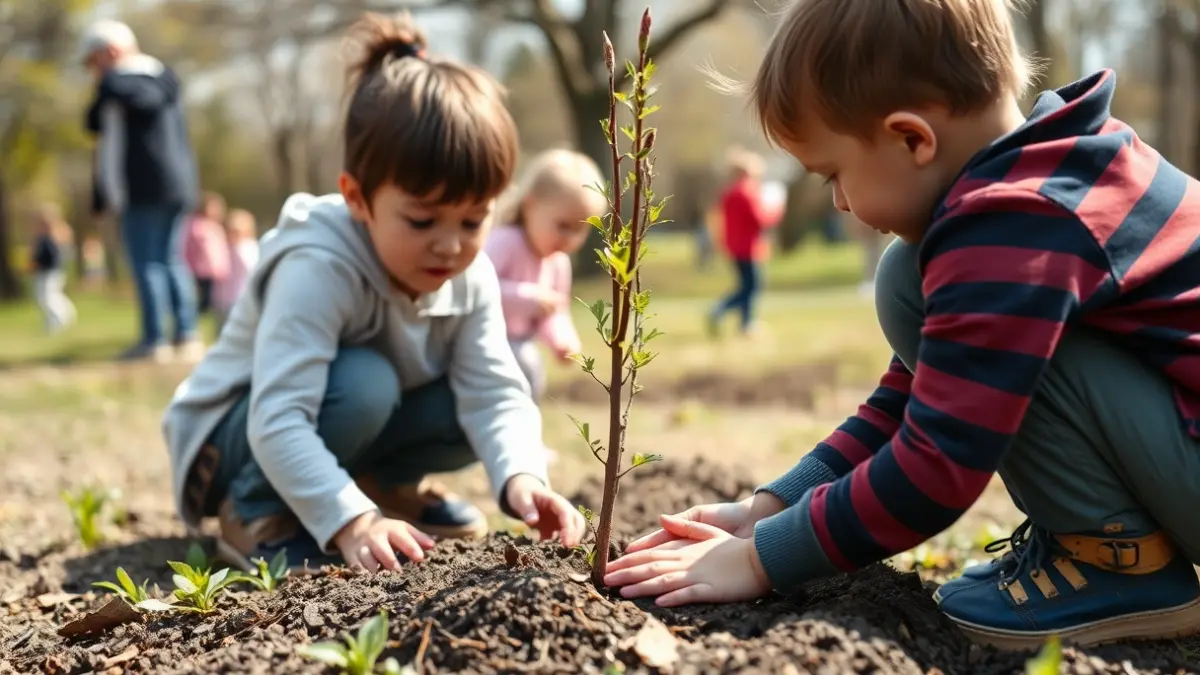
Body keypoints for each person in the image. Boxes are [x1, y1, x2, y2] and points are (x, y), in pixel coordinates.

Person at [602, 0, 1200, 650]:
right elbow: (913, 396)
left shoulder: (1018, 223)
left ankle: (1114, 563)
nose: (837, 201)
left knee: (900, 276)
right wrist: (768, 510)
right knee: (907, 277)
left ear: (911, 137)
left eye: (834, 174)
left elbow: (937, 461)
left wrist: (759, 560)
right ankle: (1111, 548)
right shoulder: (1054, 171)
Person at [162, 12, 585, 574]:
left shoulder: (470, 272)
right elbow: (279, 417)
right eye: (421, 221)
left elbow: (493, 393)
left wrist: (523, 479)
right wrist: (351, 522)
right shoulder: (317, 266)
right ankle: (256, 509)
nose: (450, 247)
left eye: (472, 220)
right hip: (228, 447)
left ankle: (380, 482)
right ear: (358, 199)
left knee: (490, 389)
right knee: (366, 381)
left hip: (330, 425)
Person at [80, 19, 202, 363]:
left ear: (111, 52)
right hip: (179, 185)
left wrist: (107, 192)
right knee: (170, 260)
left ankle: (154, 340)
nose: (93, 72)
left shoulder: (115, 88)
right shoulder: (166, 80)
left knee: (147, 262)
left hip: (142, 188)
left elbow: (107, 143)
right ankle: (186, 334)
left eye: (93, 61)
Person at [484, 149, 605, 445]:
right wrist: (527, 296)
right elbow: (479, 287)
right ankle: (505, 441)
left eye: (581, 232)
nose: (570, 240)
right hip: (483, 339)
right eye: (563, 226)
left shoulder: (558, 262)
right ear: (529, 207)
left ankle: (524, 443)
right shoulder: (505, 242)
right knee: (521, 374)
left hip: (521, 343)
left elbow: (555, 311)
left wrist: (563, 341)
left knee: (530, 378)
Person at [706, 147, 777, 338]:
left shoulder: (728, 194)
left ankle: (746, 324)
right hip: (749, 247)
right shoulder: (747, 193)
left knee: (747, 285)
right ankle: (721, 310)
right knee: (751, 287)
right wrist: (776, 211)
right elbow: (761, 219)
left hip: (734, 246)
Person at [29, 204, 77, 334]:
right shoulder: (41, 238)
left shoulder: (54, 236)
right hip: (44, 271)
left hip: (53, 271)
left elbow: (52, 257)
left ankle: (60, 319)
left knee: (48, 297)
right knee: (44, 297)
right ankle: (58, 319)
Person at [211, 208, 260, 334]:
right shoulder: (223, 247)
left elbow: (252, 269)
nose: (232, 236)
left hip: (241, 297)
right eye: (230, 231)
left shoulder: (250, 248)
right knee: (221, 330)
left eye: (236, 232)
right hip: (223, 298)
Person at [183, 193, 231, 319]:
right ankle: (190, 319)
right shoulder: (196, 225)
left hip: (215, 271)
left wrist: (223, 267)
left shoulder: (216, 227)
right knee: (202, 300)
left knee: (212, 300)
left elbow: (221, 250)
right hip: (200, 270)